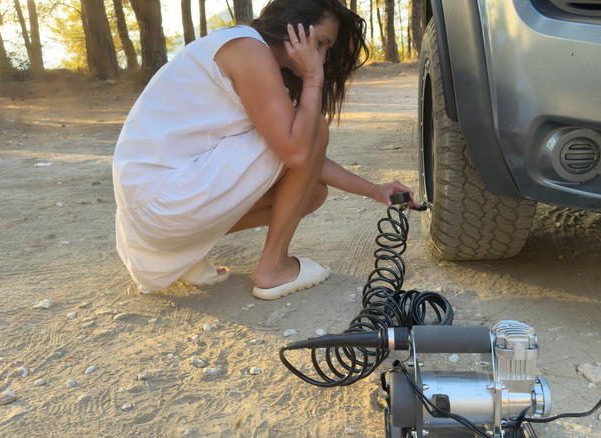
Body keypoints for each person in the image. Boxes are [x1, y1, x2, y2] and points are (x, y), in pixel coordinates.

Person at [112, 0, 415, 300]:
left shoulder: (244, 47)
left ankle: (186, 252)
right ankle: (273, 268)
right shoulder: (248, 50)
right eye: (320, 44)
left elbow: (305, 160)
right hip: (163, 202)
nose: (321, 59)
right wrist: (312, 80)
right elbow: (297, 153)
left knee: (311, 193)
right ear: (293, 27)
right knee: (312, 129)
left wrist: (374, 190)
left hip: (156, 212)